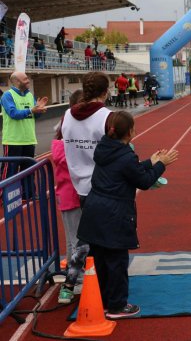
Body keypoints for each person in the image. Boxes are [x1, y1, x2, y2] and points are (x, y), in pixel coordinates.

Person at [75, 111, 179, 318]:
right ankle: (117, 306)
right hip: (114, 214)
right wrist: (161, 164)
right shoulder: (125, 155)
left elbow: (130, 170)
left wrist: (151, 161)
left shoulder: (105, 148)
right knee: (117, 261)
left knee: (100, 259)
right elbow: (143, 181)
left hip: (94, 210)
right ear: (130, 132)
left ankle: (103, 300)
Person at [59, 71, 113, 304]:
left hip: (80, 185)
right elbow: (116, 152)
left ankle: (71, 282)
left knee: (85, 240)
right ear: (105, 92)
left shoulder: (66, 116)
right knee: (106, 241)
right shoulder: (106, 117)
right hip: (103, 186)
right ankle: (107, 291)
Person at [51, 89, 83, 275]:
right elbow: (69, 161)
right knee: (75, 240)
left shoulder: (65, 144)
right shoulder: (62, 145)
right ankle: (74, 278)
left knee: (77, 240)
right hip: (70, 197)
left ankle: (75, 275)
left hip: (75, 195)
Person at [1, 72, 48, 185]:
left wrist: (39, 111)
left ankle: (28, 196)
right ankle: (4, 198)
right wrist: (31, 110)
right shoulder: (7, 95)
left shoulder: (30, 95)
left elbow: (33, 116)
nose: (28, 81)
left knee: (28, 171)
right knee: (10, 172)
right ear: (17, 81)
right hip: (13, 141)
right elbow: (13, 113)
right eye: (25, 79)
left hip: (29, 140)